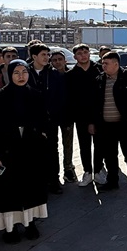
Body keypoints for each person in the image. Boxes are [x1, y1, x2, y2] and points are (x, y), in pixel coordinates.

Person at [0, 60, 50, 243]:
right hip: (6, 153)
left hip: (30, 153)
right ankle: (10, 228)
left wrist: (41, 136)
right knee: (8, 193)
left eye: (24, 72)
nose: (21, 76)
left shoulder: (35, 95)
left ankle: (30, 223)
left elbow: (45, 121)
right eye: (16, 73)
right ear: (10, 74)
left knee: (31, 190)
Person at [89, 52, 127, 193]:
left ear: (116, 64)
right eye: (102, 63)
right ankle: (112, 181)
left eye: (106, 63)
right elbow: (94, 104)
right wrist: (92, 123)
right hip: (106, 126)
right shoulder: (99, 80)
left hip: (125, 125)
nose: (103, 66)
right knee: (110, 156)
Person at [27, 44, 67, 192]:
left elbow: (60, 97)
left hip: (50, 120)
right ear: (34, 56)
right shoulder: (26, 72)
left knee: (52, 150)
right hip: (31, 121)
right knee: (33, 151)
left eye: (47, 54)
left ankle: (54, 181)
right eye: (43, 54)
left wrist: (56, 115)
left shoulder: (54, 74)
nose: (47, 57)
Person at [66, 44, 106, 187]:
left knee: (99, 144)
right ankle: (87, 172)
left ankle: (98, 171)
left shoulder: (100, 70)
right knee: (84, 145)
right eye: (79, 53)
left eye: (85, 52)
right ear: (75, 56)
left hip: (99, 114)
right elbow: (71, 99)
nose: (83, 55)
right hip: (81, 116)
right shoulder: (71, 75)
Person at [48, 50, 77, 183]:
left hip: (68, 116)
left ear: (65, 61)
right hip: (53, 116)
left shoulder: (71, 75)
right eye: (54, 60)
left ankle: (68, 168)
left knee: (68, 144)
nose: (57, 62)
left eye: (60, 59)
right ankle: (54, 172)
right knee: (53, 146)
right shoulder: (48, 76)